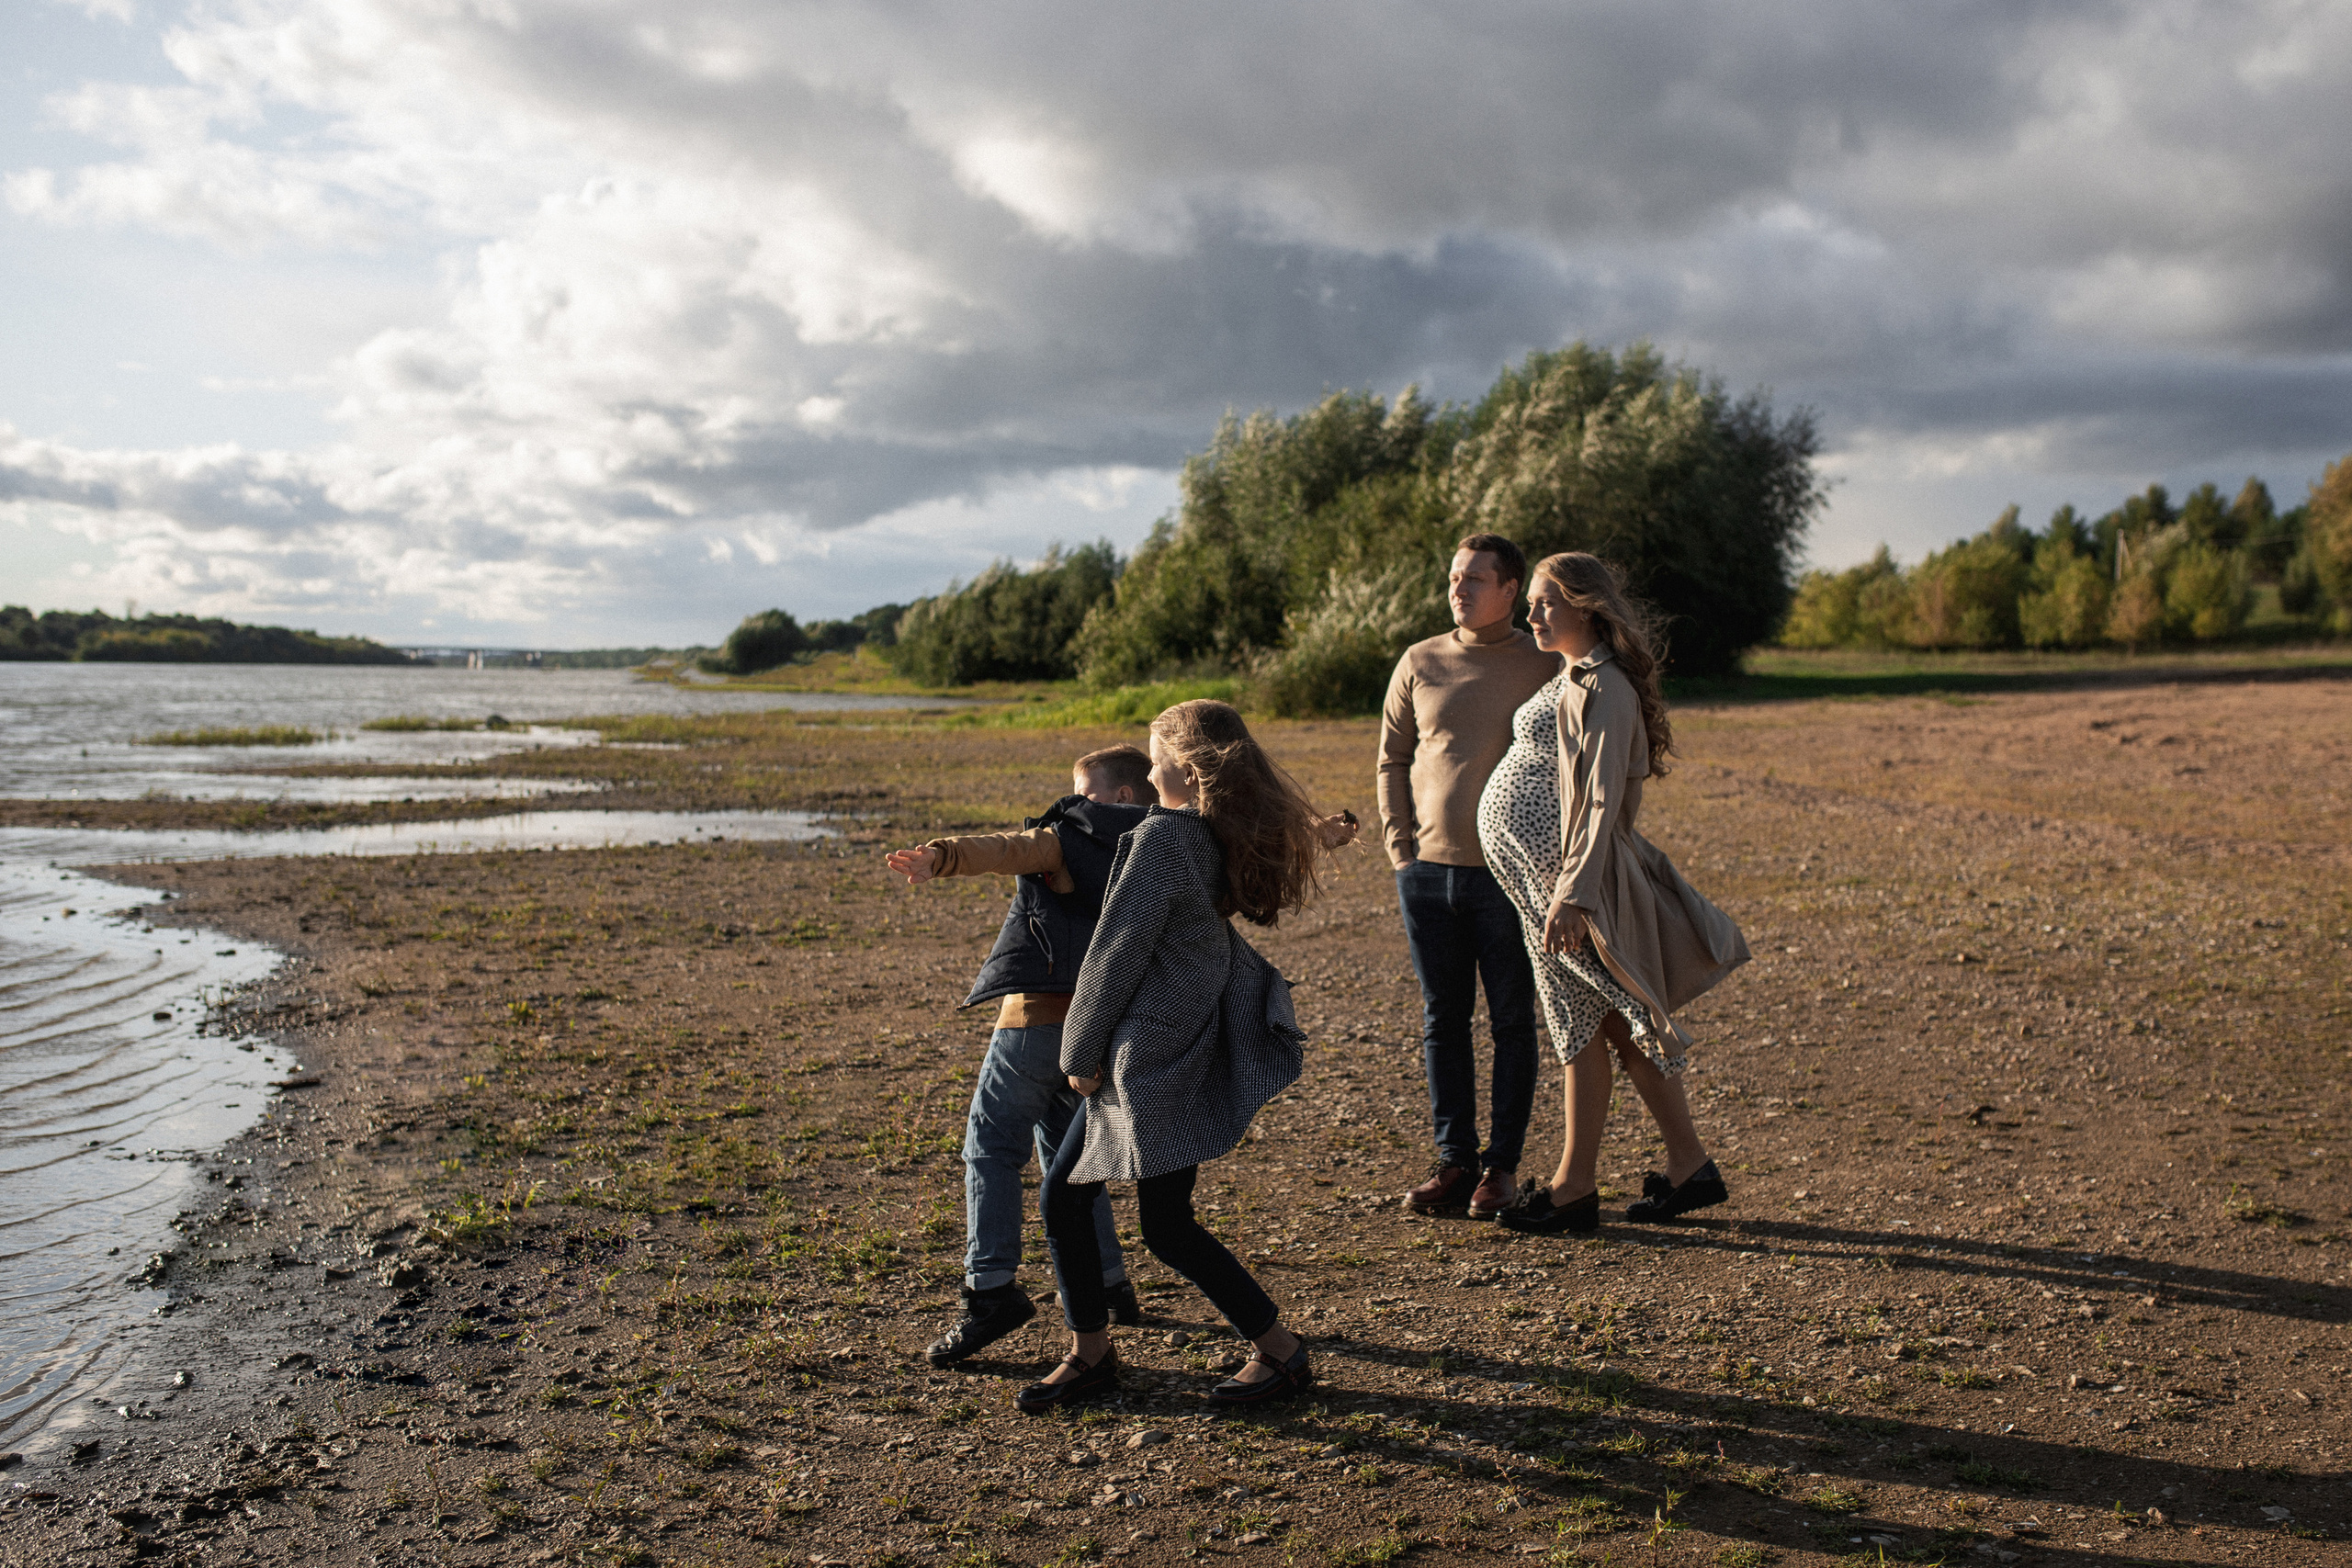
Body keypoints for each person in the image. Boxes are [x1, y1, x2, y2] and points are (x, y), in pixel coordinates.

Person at [1017, 701, 1350, 1414]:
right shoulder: (1216, 833)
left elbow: (1116, 951)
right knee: (1139, 1214)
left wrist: (1078, 1048)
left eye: (1153, 752)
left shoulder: (1163, 839)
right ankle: (1097, 1351)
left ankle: (1275, 1352)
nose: (1146, 762)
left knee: (1099, 1205)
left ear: (1182, 769)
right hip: (1185, 1042)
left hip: (1147, 1055)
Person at [1476, 552, 1751, 1235]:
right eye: (1532, 602)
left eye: (1545, 602)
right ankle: (1647, 1173)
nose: (1533, 614)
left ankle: (1594, 1183)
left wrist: (1574, 895)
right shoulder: (1575, 673)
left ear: (1586, 605)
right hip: (1545, 883)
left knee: (1611, 1016)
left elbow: (1598, 802)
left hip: (1569, 884)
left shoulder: (1609, 688)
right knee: (1587, 1023)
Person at [883, 745, 1159, 1367]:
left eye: (1081, 789)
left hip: (1036, 1021)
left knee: (990, 1146)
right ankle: (1108, 1283)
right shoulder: (1163, 844)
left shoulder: (1069, 836)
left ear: (1117, 796)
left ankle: (990, 1289)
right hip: (1101, 1031)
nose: (1070, 801)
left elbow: (1007, 847)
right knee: (1071, 1162)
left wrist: (939, 855)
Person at [1378, 533, 1561, 1219]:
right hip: (1427, 874)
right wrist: (1402, 849)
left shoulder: (1544, 660)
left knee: (1513, 1019)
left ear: (1510, 589)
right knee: (1442, 1018)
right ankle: (1456, 1161)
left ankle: (1502, 1169)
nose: (1459, 588)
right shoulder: (1420, 660)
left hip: (1512, 877)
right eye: (1455, 577)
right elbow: (1392, 758)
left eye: (1475, 579)